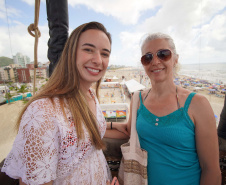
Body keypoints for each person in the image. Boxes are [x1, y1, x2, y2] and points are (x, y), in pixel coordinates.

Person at [1, 21, 127, 185]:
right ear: (71, 53)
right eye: (88, 49)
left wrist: (112, 126)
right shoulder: (43, 112)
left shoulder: (89, 94)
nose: (98, 60)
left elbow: (83, 134)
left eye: (105, 54)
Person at [126, 32, 221, 184]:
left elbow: (211, 170)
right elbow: (127, 129)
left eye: (163, 54)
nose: (155, 61)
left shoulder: (198, 104)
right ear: (143, 64)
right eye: (148, 57)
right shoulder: (138, 100)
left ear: (176, 58)